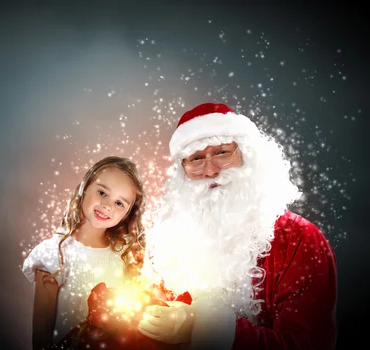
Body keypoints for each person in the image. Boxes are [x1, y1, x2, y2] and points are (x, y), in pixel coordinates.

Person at [138, 103, 338, 349]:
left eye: (222, 153)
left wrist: (201, 328)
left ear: (248, 157)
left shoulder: (299, 237)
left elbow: (307, 345)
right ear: (183, 172)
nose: (211, 171)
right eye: (196, 159)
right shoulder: (166, 241)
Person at [22, 156, 147, 350]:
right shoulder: (54, 255)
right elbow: (41, 338)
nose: (107, 205)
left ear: (128, 213)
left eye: (119, 203)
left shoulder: (125, 255)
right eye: (102, 192)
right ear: (85, 187)